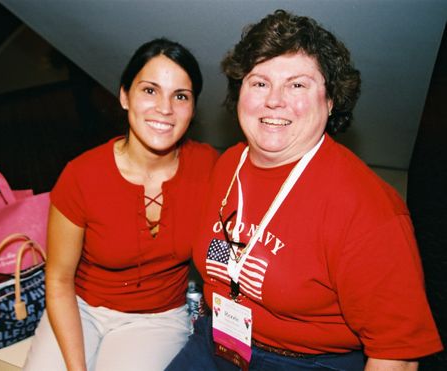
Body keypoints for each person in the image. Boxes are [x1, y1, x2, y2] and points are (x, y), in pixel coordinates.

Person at [166, 9, 443, 371]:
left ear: (330, 101)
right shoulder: (227, 165)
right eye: (259, 82)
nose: (274, 99)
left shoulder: (369, 210)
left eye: (297, 84)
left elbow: (397, 356)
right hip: (217, 338)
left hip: (304, 363)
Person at [23, 38, 218, 371]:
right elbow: (57, 280)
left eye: (180, 96)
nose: (165, 108)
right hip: (80, 308)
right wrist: (76, 367)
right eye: (150, 91)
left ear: (193, 108)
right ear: (125, 96)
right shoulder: (82, 175)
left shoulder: (211, 167)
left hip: (156, 319)